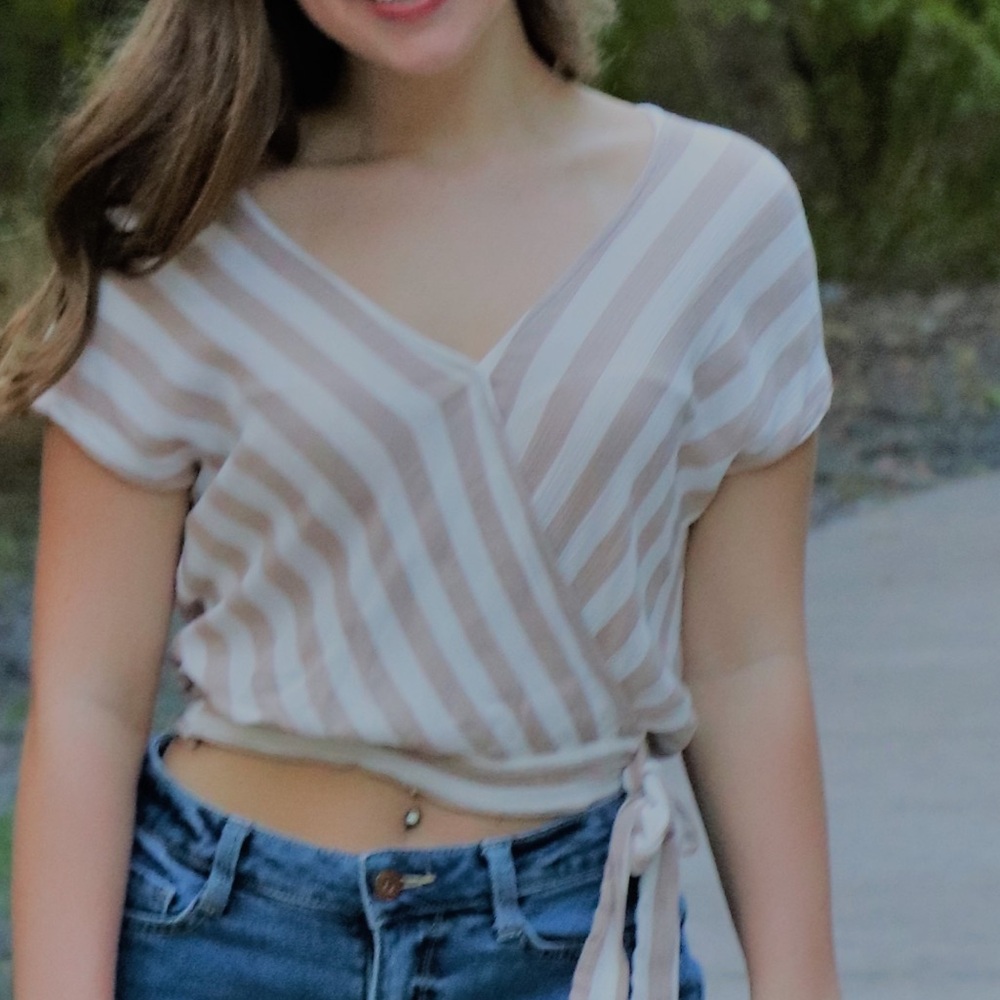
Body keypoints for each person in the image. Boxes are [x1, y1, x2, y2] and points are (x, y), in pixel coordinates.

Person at [3, 1, 841, 998]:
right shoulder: (176, 226)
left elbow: (746, 666)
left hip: (567, 943)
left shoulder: (718, 218)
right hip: (223, 942)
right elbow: (87, 704)